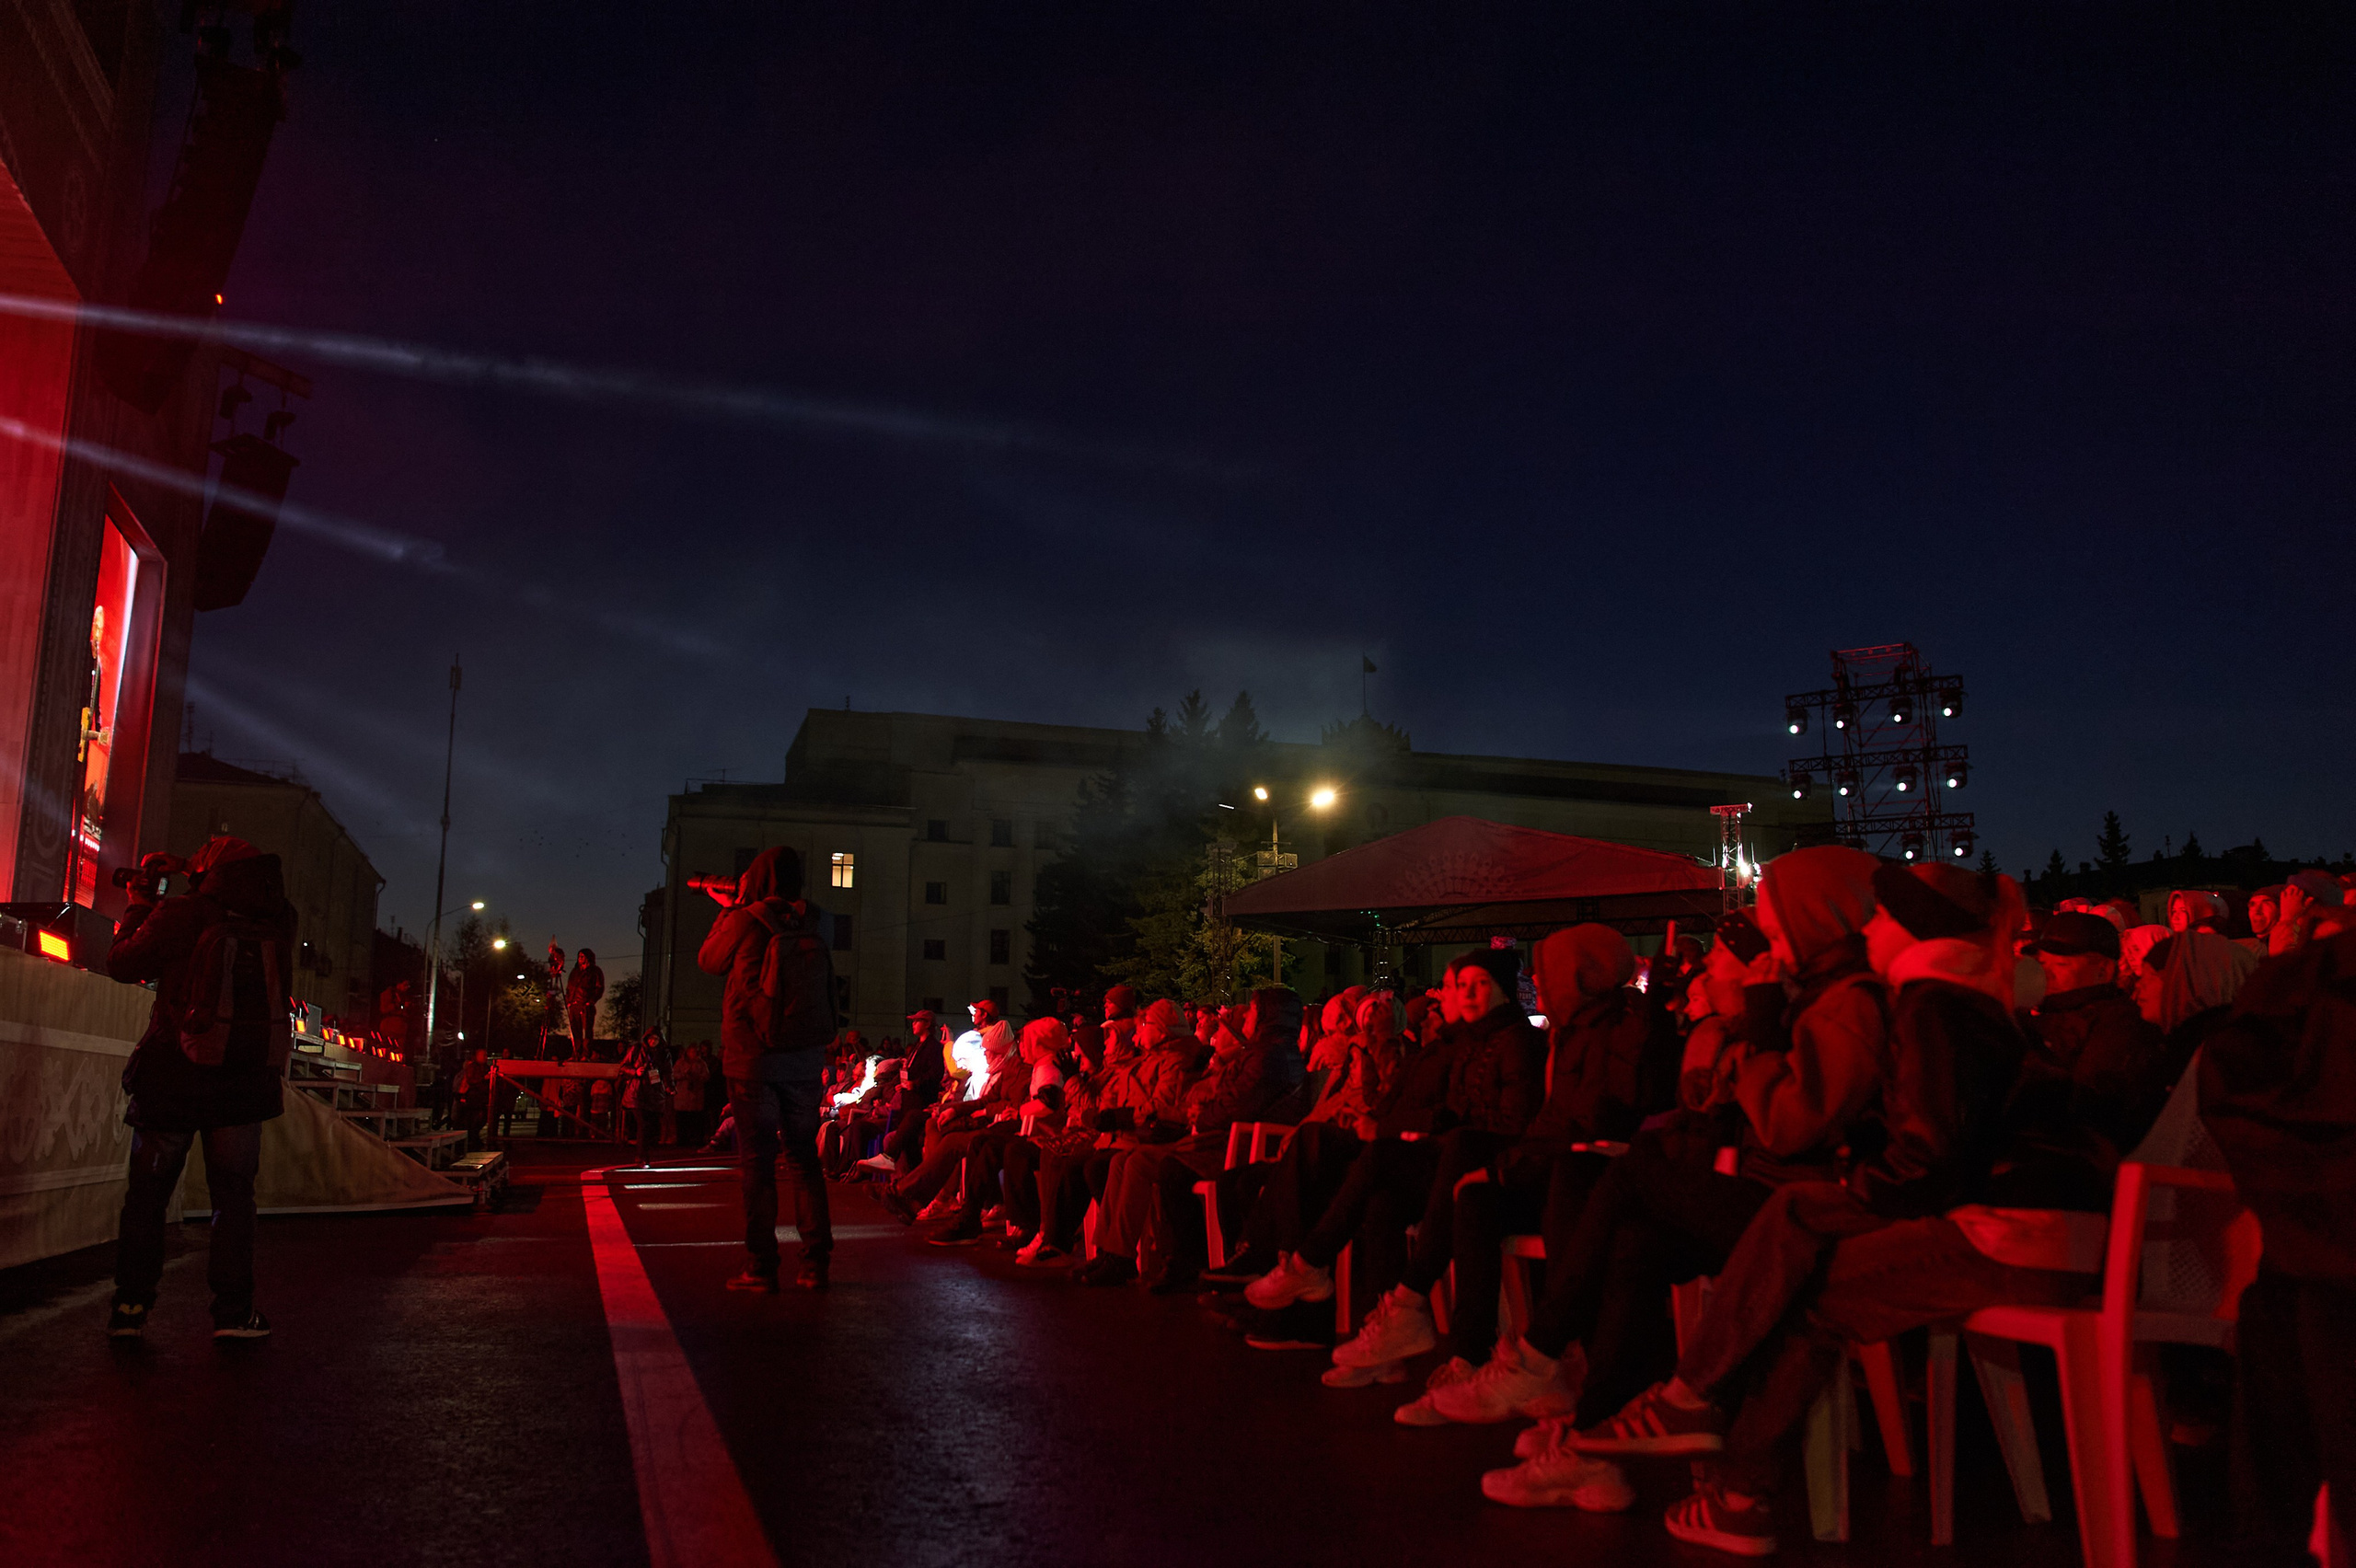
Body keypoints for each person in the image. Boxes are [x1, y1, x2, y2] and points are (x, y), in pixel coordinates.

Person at [104, 837, 296, 1341]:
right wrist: (193, 866)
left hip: (173, 1074)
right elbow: (236, 886)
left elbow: (122, 964)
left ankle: (131, 1307)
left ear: (207, 871)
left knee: (148, 1197)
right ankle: (233, 1313)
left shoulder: (182, 913)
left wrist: (140, 903)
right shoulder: (280, 919)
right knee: (234, 1200)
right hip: (245, 1083)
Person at [698, 848, 837, 1292]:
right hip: (805, 1060)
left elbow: (709, 961)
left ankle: (760, 1266)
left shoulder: (745, 919)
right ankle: (815, 1264)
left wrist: (730, 909)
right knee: (804, 1160)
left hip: (752, 1058)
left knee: (757, 1163)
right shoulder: (818, 920)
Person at [620, 1027, 674, 1163]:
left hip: (654, 1094)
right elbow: (623, 1067)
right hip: (637, 1092)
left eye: (656, 1039)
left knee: (650, 1126)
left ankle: (643, 1153)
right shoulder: (637, 1050)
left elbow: (667, 1072)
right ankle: (642, 1156)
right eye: (650, 1038)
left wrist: (670, 1086)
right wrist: (635, 1071)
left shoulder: (664, 1053)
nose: (652, 1041)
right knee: (643, 1124)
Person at [564, 949, 605, 1060]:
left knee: (587, 1030)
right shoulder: (575, 972)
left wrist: (591, 1000)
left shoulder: (595, 971)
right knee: (575, 1030)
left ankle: (586, 1053)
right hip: (574, 1004)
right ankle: (576, 1052)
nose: (580, 958)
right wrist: (568, 1000)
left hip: (586, 1004)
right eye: (579, 956)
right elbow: (569, 987)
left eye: (582, 956)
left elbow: (599, 988)